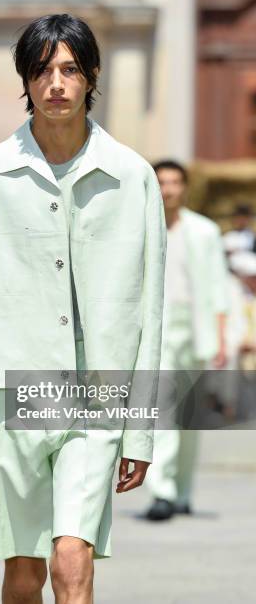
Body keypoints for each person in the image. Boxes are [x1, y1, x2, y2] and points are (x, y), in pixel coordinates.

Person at [0, 13, 166, 603]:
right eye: (41, 71)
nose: (56, 84)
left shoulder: (134, 179)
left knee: (71, 561)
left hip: (97, 394)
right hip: (13, 395)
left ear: (91, 77)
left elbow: (150, 314)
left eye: (69, 70)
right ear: (25, 81)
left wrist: (139, 430)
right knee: (22, 576)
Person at [143, 160, 229, 521]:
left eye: (174, 182)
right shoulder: (141, 228)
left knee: (189, 419)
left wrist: (222, 339)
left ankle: (182, 493)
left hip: (194, 330)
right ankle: (161, 491)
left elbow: (218, 286)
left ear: (185, 187)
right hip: (156, 330)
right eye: (161, 181)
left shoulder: (205, 231)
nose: (168, 189)